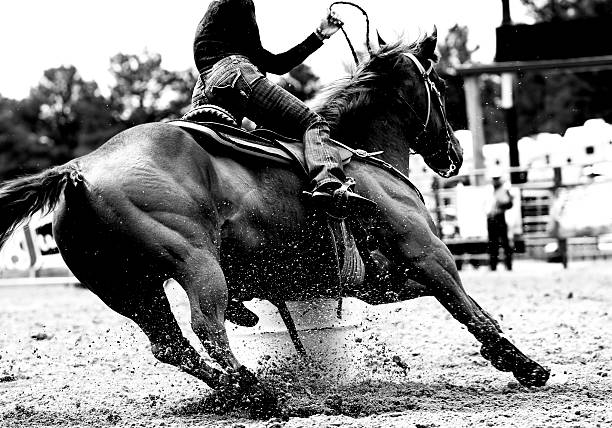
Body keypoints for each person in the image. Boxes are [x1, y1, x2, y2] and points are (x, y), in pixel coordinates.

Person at [190, 0, 375, 214]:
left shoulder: (215, 13)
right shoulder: (240, 3)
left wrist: (320, 34)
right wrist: (319, 36)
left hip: (205, 86)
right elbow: (273, 64)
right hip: (235, 73)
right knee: (313, 123)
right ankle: (330, 184)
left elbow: (270, 63)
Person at [486, 175, 514, 271]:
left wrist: (501, 203)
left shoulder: (504, 190)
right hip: (492, 218)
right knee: (493, 243)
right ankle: (493, 266)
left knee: (504, 242)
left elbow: (509, 203)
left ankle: (508, 265)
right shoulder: (490, 190)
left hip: (499, 216)